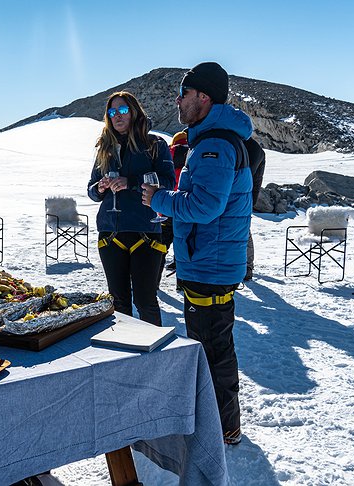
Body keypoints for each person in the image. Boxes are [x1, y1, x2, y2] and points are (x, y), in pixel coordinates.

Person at [142, 62, 253, 445]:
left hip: (210, 264)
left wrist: (160, 198)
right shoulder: (211, 140)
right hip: (209, 260)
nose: (178, 100)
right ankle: (221, 424)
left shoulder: (216, 145)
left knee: (211, 349)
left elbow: (205, 206)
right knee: (212, 345)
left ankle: (221, 428)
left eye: (184, 94)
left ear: (203, 97)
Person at [87, 91, 175, 326]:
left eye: (123, 110)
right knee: (118, 302)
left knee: (146, 301)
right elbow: (91, 191)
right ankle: (124, 357)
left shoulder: (155, 144)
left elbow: (168, 182)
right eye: (112, 112)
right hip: (110, 233)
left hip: (145, 231)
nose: (117, 116)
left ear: (134, 112)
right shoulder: (104, 149)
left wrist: (132, 182)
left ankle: (155, 359)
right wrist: (101, 187)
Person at [157, 130, 188, 285]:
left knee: (161, 245)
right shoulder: (191, 154)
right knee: (183, 244)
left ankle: (154, 280)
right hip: (183, 207)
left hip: (166, 206)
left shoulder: (167, 153)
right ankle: (182, 283)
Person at [245, 138, 266, 281]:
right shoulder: (255, 147)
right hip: (246, 198)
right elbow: (257, 180)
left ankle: (246, 266)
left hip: (237, 198)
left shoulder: (236, 143)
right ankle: (247, 267)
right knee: (244, 231)